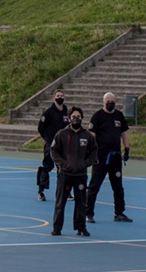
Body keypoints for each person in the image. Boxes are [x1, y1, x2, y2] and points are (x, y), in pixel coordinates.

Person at [85, 92, 133, 224]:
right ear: (103, 102)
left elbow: (123, 134)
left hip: (115, 157)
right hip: (100, 157)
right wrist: (92, 154)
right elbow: (91, 136)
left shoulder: (119, 116)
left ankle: (119, 212)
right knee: (94, 185)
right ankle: (88, 213)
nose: (111, 103)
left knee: (118, 186)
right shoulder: (97, 116)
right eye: (108, 101)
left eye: (113, 101)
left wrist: (127, 149)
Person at [50, 107, 96, 236]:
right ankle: (57, 228)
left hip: (80, 175)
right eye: (74, 116)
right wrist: (63, 164)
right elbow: (54, 151)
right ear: (69, 118)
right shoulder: (61, 134)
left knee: (81, 203)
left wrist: (86, 163)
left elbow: (94, 151)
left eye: (79, 116)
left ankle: (81, 227)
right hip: (65, 174)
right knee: (60, 202)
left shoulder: (87, 136)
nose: (76, 119)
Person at [36, 89, 68, 201]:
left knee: (64, 168)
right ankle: (41, 191)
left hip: (62, 146)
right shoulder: (48, 112)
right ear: (53, 98)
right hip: (50, 145)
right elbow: (41, 127)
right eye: (58, 96)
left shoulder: (66, 112)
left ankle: (65, 191)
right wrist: (48, 139)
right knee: (47, 166)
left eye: (62, 95)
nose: (60, 97)